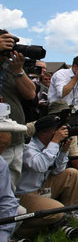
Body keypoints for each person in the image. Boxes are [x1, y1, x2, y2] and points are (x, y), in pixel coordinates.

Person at [15, 115, 78, 238]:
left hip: (42, 186)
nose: (59, 133)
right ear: (45, 132)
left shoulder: (50, 145)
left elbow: (58, 170)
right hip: (25, 194)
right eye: (56, 131)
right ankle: (23, 230)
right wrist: (55, 142)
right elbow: (40, 165)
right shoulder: (27, 147)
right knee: (57, 210)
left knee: (72, 173)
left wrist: (64, 151)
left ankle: (72, 213)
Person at [0, 29, 37, 187]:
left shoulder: (11, 67)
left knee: (9, 189)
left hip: (16, 139)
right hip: (2, 141)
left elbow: (30, 94)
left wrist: (18, 71)